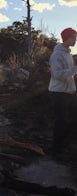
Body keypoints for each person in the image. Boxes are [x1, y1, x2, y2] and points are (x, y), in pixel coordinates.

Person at [48, 27, 77, 155]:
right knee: (61, 122)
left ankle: (61, 143)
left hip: (69, 92)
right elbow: (57, 75)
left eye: (76, 37)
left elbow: (69, 73)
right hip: (59, 93)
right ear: (66, 38)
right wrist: (75, 69)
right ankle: (56, 149)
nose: (75, 40)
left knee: (71, 119)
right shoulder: (57, 54)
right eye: (73, 37)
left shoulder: (67, 53)